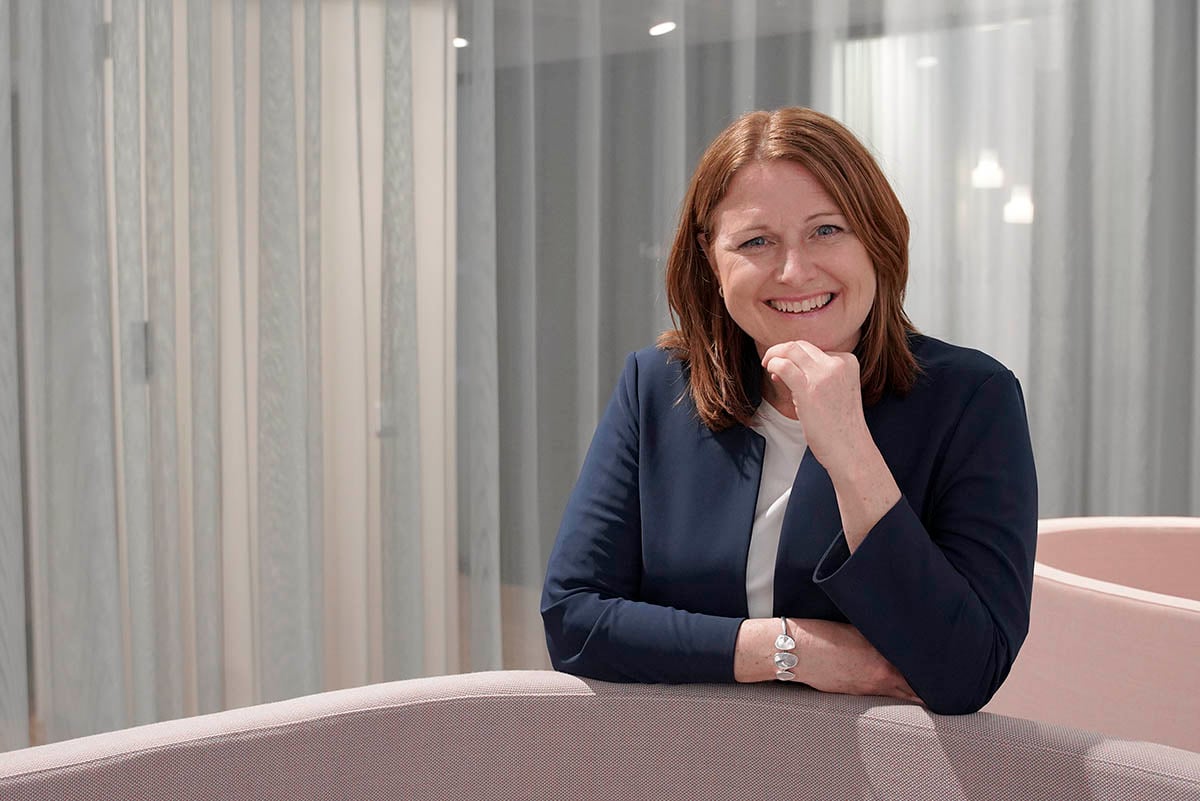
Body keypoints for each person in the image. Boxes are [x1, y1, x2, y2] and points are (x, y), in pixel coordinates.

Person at [540, 107, 1037, 715]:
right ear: (711, 260)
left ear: (877, 238)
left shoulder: (973, 399)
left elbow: (966, 671)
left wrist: (849, 448)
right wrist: (791, 650)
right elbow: (574, 621)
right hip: (680, 756)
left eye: (827, 230)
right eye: (756, 241)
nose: (795, 271)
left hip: (867, 763)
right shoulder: (658, 386)